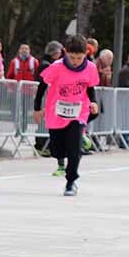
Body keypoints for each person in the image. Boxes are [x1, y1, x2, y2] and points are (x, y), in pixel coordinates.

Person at [34, 34, 99, 196]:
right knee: (57, 151)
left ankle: (71, 182)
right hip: (57, 113)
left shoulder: (90, 68)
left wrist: (94, 102)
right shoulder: (56, 67)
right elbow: (42, 87)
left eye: (79, 57)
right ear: (65, 52)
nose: (76, 61)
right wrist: (36, 108)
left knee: (73, 149)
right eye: (72, 57)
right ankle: (71, 149)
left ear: (86, 54)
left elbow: (90, 87)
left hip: (79, 112)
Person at [34, 40, 63, 156]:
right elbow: (44, 82)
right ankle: (41, 146)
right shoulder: (46, 64)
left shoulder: (49, 63)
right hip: (45, 97)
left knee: (48, 122)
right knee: (43, 122)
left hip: (48, 97)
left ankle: (47, 145)